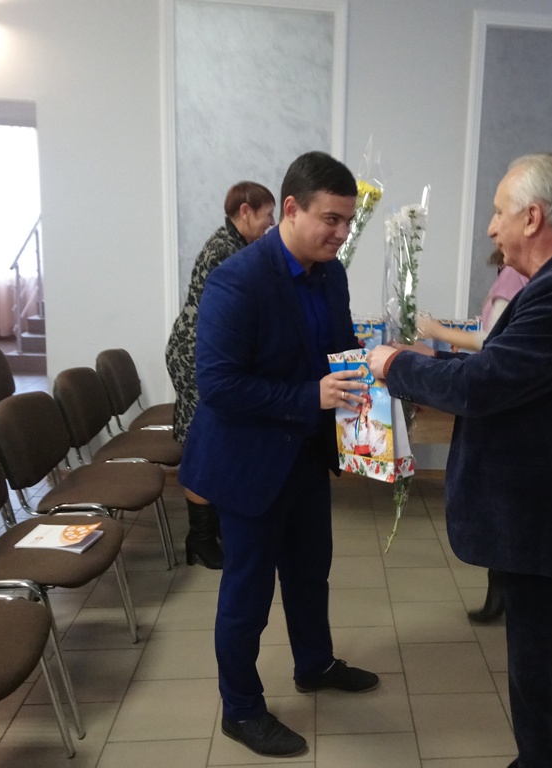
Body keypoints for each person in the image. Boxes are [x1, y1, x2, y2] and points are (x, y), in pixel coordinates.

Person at [367, 153, 552, 768]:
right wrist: (434, 360)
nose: (491, 228)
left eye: (498, 213)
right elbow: (509, 373)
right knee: (545, 687)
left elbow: (483, 387)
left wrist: (395, 365)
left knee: (548, 691)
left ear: (533, 217)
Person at [178, 152, 379, 759]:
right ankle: (240, 709)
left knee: (310, 573)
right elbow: (217, 384)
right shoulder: (237, 279)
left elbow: (337, 349)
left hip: (305, 456)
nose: (341, 233)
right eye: (331, 219)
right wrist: (308, 395)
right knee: (248, 594)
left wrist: (375, 368)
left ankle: (314, 664)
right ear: (290, 209)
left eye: (347, 221)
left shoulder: (330, 274)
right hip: (247, 464)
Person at [165, 181, 276, 569]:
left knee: (216, 443)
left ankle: (212, 529)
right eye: (267, 215)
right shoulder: (225, 251)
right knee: (204, 445)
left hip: (208, 355)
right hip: (196, 356)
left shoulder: (238, 244)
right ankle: (199, 537)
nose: (271, 223)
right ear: (245, 212)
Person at [416, 249, 529, 622]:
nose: (493, 229)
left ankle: (505, 596)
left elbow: (491, 341)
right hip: (515, 416)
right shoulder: (530, 280)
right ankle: (504, 595)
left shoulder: (513, 280)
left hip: (503, 417)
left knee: (503, 511)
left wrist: (436, 333)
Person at [416, 249, 528, 353]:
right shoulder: (515, 274)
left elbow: (491, 340)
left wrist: (434, 329)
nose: (492, 235)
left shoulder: (512, 274)